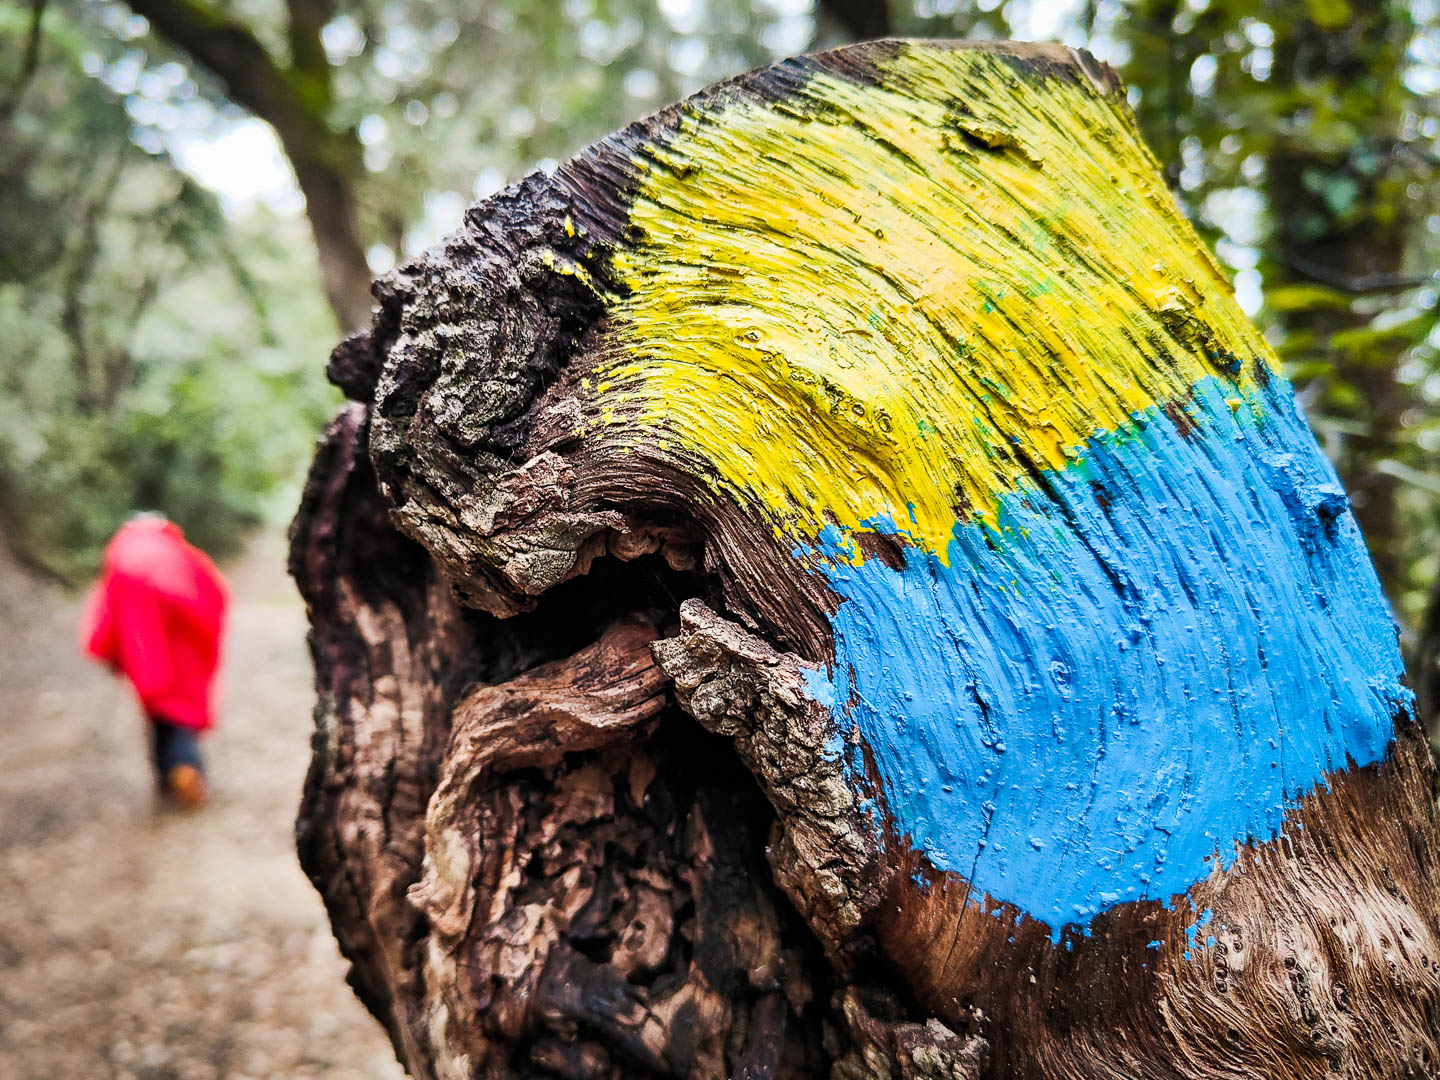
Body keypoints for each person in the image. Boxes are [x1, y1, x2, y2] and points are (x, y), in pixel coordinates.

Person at [79, 513, 229, 808]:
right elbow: (214, 595)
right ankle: (186, 768)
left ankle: (169, 777)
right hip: (183, 645)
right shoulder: (181, 553)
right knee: (182, 708)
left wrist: (106, 650)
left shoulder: (122, 555)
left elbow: (108, 609)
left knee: (159, 712)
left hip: (144, 649)